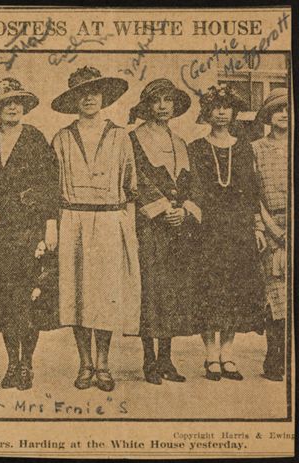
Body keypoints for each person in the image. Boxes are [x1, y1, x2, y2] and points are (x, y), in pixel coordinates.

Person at [51, 66, 139, 392]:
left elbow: (132, 185)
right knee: (76, 295)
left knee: (104, 296)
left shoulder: (120, 136)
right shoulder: (61, 138)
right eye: (82, 92)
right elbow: (52, 186)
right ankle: (84, 363)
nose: (89, 97)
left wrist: (123, 225)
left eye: (95, 92)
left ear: (103, 97)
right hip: (72, 219)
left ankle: (103, 363)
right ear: (74, 98)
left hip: (108, 221)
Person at [0, 78, 60, 391]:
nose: (13, 107)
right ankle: (11, 363)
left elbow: (51, 182)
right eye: (6, 103)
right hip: (1, 229)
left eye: (18, 102)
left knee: (30, 298)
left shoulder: (36, 138)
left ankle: (27, 363)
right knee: (5, 298)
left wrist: (51, 223)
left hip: (30, 227)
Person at [188, 85, 266, 382]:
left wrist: (256, 226)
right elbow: (193, 189)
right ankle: (210, 355)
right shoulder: (196, 148)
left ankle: (228, 354)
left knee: (234, 288)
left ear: (233, 112)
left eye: (226, 106)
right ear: (207, 112)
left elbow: (252, 191)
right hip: (206, 229)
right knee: (209, 289)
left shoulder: (245, 147)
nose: (220, 112)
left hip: (238, 229)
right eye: (215, 106)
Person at [128, 78, 201, 384]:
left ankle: (167, 359)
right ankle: (148, 361)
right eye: (156, 100)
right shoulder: (133, 139)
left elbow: (193, 182)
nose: (162, 106)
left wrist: (184, 209)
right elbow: (135, 178)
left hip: (177, 227)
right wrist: (161, 209)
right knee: (150, 289)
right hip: (149, 225)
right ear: (147, 105)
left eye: (167, 100)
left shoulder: (180, 142)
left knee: (172, 290)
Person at [251, 88, 289, 382]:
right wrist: (272, 230)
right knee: (275, 297)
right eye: (278, 110)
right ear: (268, 116)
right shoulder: (256, 149)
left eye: (288, 108)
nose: (284, 114)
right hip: (272, 229)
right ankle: (274, 360)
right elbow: (254, 196)